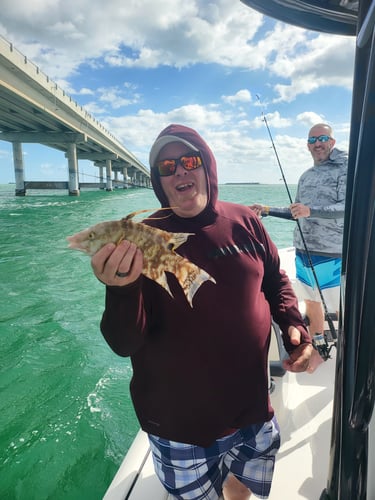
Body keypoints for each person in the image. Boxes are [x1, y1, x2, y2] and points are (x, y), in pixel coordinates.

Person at [91, 124, 313, 499]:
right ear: (158, 179)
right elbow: (124, 342)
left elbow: (275, 280)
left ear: (207, 166)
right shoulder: (141, 240)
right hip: (180, 427)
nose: (180, 170)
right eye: (167, 166)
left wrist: (295, 327)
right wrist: (120, 289)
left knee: (243, 487)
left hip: (253, 408)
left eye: (189, 160)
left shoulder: (246, 221)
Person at [251, 123, 347, 373]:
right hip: (304, 253)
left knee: (343, 309)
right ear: (307, 145)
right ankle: (319, 351)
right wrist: (268, 210)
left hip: (332, 254)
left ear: (332, 141)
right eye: (313, 139)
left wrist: (311, 210)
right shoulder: (305, 176)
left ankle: (353, 354)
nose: (318, 143)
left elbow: (347, 208)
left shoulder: (344, 168)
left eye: (323, 138)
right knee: (313, 307)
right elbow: (297, 213)